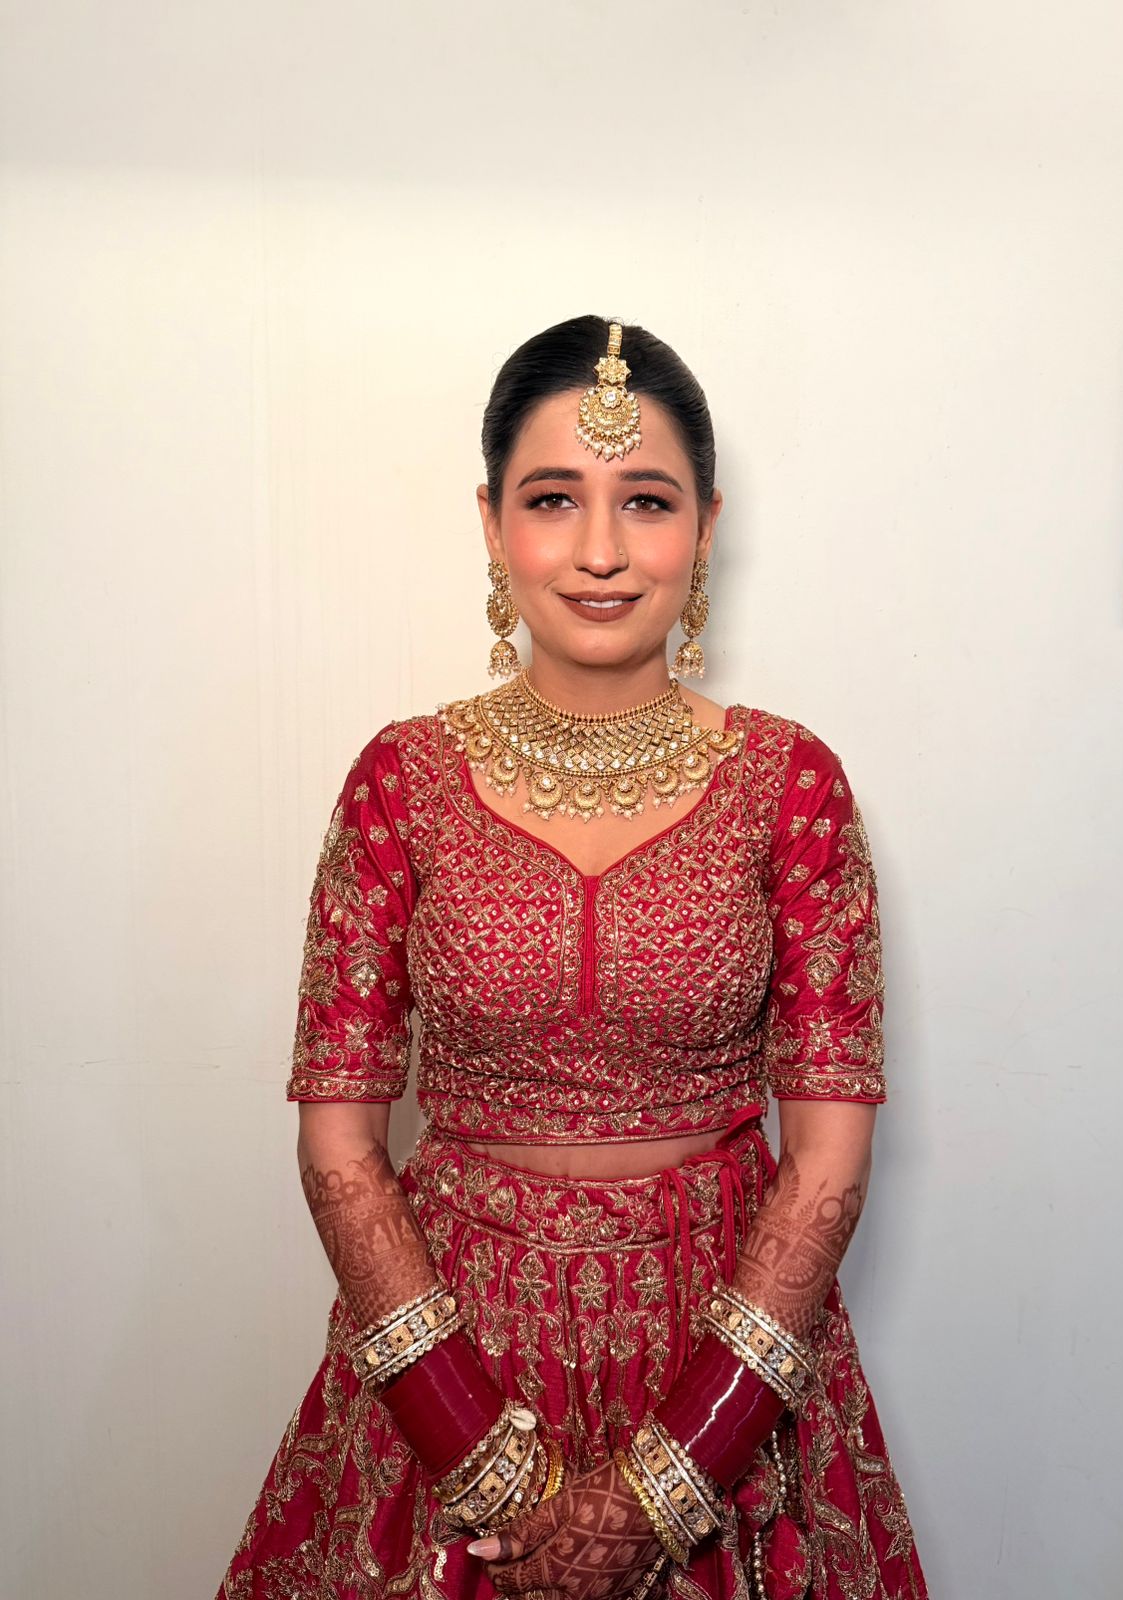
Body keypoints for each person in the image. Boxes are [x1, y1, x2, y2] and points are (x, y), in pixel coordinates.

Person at [219, 316, 928, 1600]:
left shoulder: (790, 786)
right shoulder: (402, 783)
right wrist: (484, 1462)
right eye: (554, 499)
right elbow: (339, 1147)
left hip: (721, 1352)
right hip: (446, 1349)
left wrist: (667, 1482)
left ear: (705, 528)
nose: (601, 550)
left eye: (646, 500)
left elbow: (828, 1160)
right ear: (493, 525)